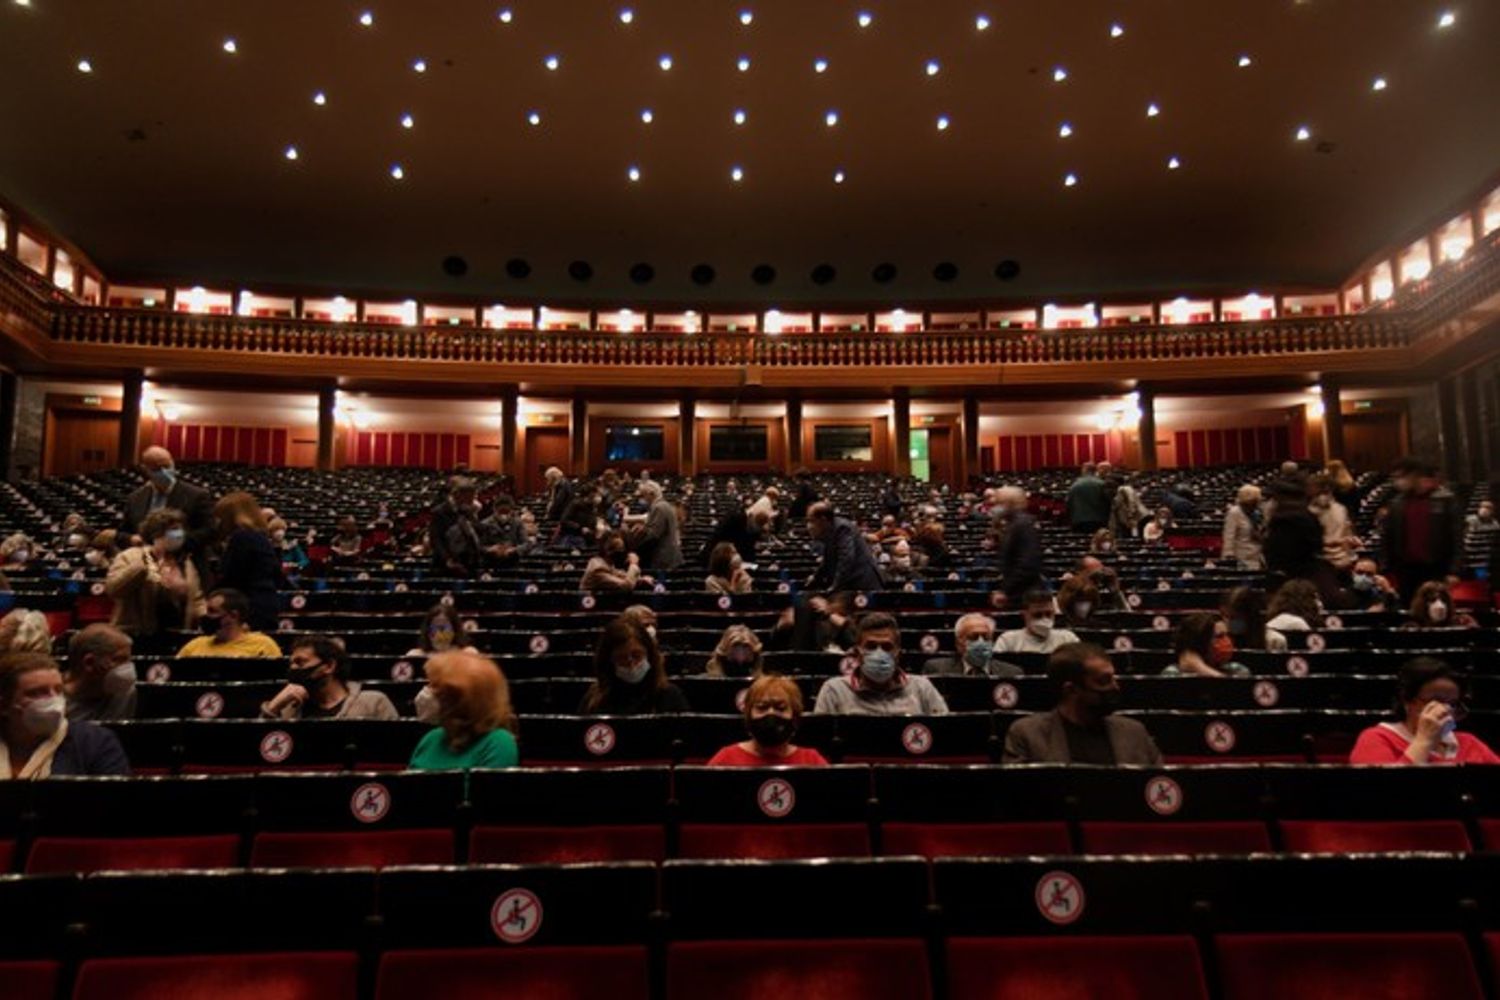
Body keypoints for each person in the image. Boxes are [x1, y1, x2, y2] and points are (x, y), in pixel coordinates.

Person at [1002, 642, 1162, 765]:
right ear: (1071, 690)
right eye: (1103, 681)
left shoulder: (1135, 732)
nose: (1115, 687)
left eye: (1113, 678)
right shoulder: (1027, 735)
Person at [1, 652, 131, 777]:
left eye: (58, 690)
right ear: (4, 705)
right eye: (36, 693)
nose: (53, 700)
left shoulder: (96, 742)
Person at [1349, 657, 1498, 765]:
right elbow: (1383, 797)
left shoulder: (1469, 742)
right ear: (1407, 701)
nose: (1446, 710)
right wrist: (1424, 740)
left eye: (1452, 703)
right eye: (1435, 701)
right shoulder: (1378, 738)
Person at [812, 612, 949, 715]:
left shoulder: (922, 688)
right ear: (857, 653)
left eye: (887, 647)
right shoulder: (834, 690)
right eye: (871, 647)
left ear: (898, 654)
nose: (879, 653)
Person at [409, 649, 520, 770]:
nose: (436, 697)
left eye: (447, 694)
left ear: (473, 700)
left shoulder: (498, 742)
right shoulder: (431, 739)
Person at [105, 507, 205, 638]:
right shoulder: (130, 556)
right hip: (135, 635)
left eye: (181, 530)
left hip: (176, 634)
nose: (179, 534)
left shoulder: (185, 563)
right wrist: (143, 567)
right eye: (173, 529)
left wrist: (206, 616)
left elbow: (196, 599)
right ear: (157, 533)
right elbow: (114, 589)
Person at [260, 634, 398, 721]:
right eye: (291, 664)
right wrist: (272, 708)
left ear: (329, 666)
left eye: (300, 662)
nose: (293, 669)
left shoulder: (373, 702)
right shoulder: (290, 708)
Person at [1381, 457, 1463, 600]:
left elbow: (1457, 538)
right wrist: (1386, 568)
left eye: (1401, 477)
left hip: (1436, 568)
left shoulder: (1445, 500)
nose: (1398, 482)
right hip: (1406, 570)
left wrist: (1454, 570)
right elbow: (1388, 538)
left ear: (1415, 475)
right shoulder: (1396, 504)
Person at [707, 674, 829, 766]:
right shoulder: (726, 759)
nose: (771, 713)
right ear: (749, 715)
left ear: (795, 717)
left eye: (780, 708)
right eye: (762, 707)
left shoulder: (812, 761)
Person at [578, 615, 690, 714]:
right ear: (609, 661)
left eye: (637, 655)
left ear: (649, 655)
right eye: (621, 658)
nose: (631, 664)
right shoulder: (594, 700)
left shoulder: (670, 696)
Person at [121, 446, 214, 565]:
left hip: (185, 564)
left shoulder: (197, 495)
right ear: (146, 469)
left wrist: (175, 541)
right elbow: (123, 532)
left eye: (167, 466)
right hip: (143, 565)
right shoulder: (135, 498)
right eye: (158, 468)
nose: (164, 472)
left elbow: (209, 531)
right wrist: (130, 539)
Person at [211, 492, 282, 633]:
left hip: (249, 607)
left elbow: (232, 577)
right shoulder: (260, 537)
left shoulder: (241, 538)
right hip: (266, 603)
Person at [175, 589, 283, 658]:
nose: (206, 616)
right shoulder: (194, 646)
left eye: (212, 611)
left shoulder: (263, 645)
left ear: (233, 616)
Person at [805, 502, 884, 594]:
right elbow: (828, 559)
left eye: (811, 521)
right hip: (851, 583)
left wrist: (834, 587)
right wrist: (816, 577)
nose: (808, 526)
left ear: (823, 520)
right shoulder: (829, 531)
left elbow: (846, 559)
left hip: (863, 583)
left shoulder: (842, 528)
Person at [63, 625, 136, 723]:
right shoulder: (54, 702)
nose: (128, 668)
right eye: (120, 659)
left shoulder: (125, 694)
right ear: (89, 663)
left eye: (129, 660)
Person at [921, 612, 1022, 678]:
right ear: (958, 643)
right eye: (973, 637)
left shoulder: (1012, 673)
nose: (981, 642)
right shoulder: (938, 670)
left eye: (986, 637)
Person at [1262, 477, 1322, 582]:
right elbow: (1317, 544)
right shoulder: (1308, 516)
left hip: (1288, 575)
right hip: (1306, 573)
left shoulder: (1281, 518)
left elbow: (1273, 549)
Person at [990, 486, 1042, 607]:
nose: (995, 507)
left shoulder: (1022, 525)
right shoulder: (1015, 524)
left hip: (1023, 594)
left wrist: (1006, 590)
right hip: (1019, 591)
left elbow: (1027, 564)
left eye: (999, 503)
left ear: (1009, 503)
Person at [995, 590, 1081, 655]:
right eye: (1037, 615)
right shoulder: (1008, 641)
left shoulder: (1068, 639)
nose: (1044, 619)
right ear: (1024, 615)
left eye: (1048, 614)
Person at [768, 592, 858, 653]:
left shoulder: (846, 627)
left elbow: (853, 645)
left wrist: (842, 623)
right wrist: (779, 627)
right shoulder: (808, 620)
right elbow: (774, 645)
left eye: (840, 614)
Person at [429, 477, 482, 574]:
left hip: (469, 564)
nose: (472, 500)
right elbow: (436, 539)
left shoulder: (469, 511)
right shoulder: (439, 512)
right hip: (446, 566)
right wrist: (447, 559)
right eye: (469, 497)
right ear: (457, 494)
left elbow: (477, 534)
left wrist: (473, 517)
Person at [1308, 473, 1359, 574]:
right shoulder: (1341, 508)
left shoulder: (1308, 512)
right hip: (1342, 559)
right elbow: (1348, 535)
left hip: (1322, 562)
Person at [1169, 612, 1242, 678]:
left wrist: (1200, 668)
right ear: (1199, 642)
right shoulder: (1172, 673)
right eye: (1219, 636)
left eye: (1227, 635)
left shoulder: (1237, 670)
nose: (1228, 641)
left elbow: (1232, 689)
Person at [632, 480, 683, 572]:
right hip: (669, 553)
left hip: (663, 556)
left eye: (644, 495)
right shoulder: (665, 505)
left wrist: (642, 531)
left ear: (651, 494)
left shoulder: (658, 507)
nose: (643, 499)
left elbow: (654, 534)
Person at [581, 531, 651, 592]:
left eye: (622, 549)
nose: (622, 553)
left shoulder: (606, 563)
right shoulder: (598, 568)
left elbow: (619, 576)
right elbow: (625, 587)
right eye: (619, 550)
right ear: (607, 551)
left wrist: (640, 580)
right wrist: (633, 564)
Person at [1221, 586, 1285, 653]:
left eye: (1234, 617)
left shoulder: (1274, 641)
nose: (1228, 622)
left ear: (1250, 616)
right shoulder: (1218, 640)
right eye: (1225, 616)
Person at [1221, 485, 1265, 569]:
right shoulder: (1234, 512)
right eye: (1254, 502)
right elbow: (1229, 536)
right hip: (1241, 557)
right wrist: (1228, 555)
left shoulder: (1256, 513)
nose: (1256, 504)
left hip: (1257, 555)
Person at [1403, 581, 1478, 629]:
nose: (1440, 606)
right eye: (1432, 601)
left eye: (1443, 601)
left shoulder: (1463, 622)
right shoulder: (1411, 628)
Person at [408, 604, 474, 657]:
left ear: (455, 629)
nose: (440, 633)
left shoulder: (469, 654)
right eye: (436, 626)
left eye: (444, 626)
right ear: (428, 630)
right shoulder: (415, 656)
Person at [1066, 462, 1110, 534]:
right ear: (1095, 470)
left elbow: (1069, 504)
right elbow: (1108, 503)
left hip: (1079, 521)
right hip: (1099, 521)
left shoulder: (1075, 485)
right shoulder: (1102, 484)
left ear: (1084, 470)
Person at [1109, 474, 1149, 538]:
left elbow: (1131, 502)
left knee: (1135, 537)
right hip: (1134, 517)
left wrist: (1130, 517)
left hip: (1137, 517)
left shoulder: (1123, 489)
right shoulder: (1124, 489)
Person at [1463, 499, 1497, 575]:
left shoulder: (1495, 525)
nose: (1485, 509)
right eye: (1482, 506)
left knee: (1481, 579)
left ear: (1492, 511)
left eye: (1488, 507)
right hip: (1469, 557)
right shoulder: (1470, 520)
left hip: (1483, 560)